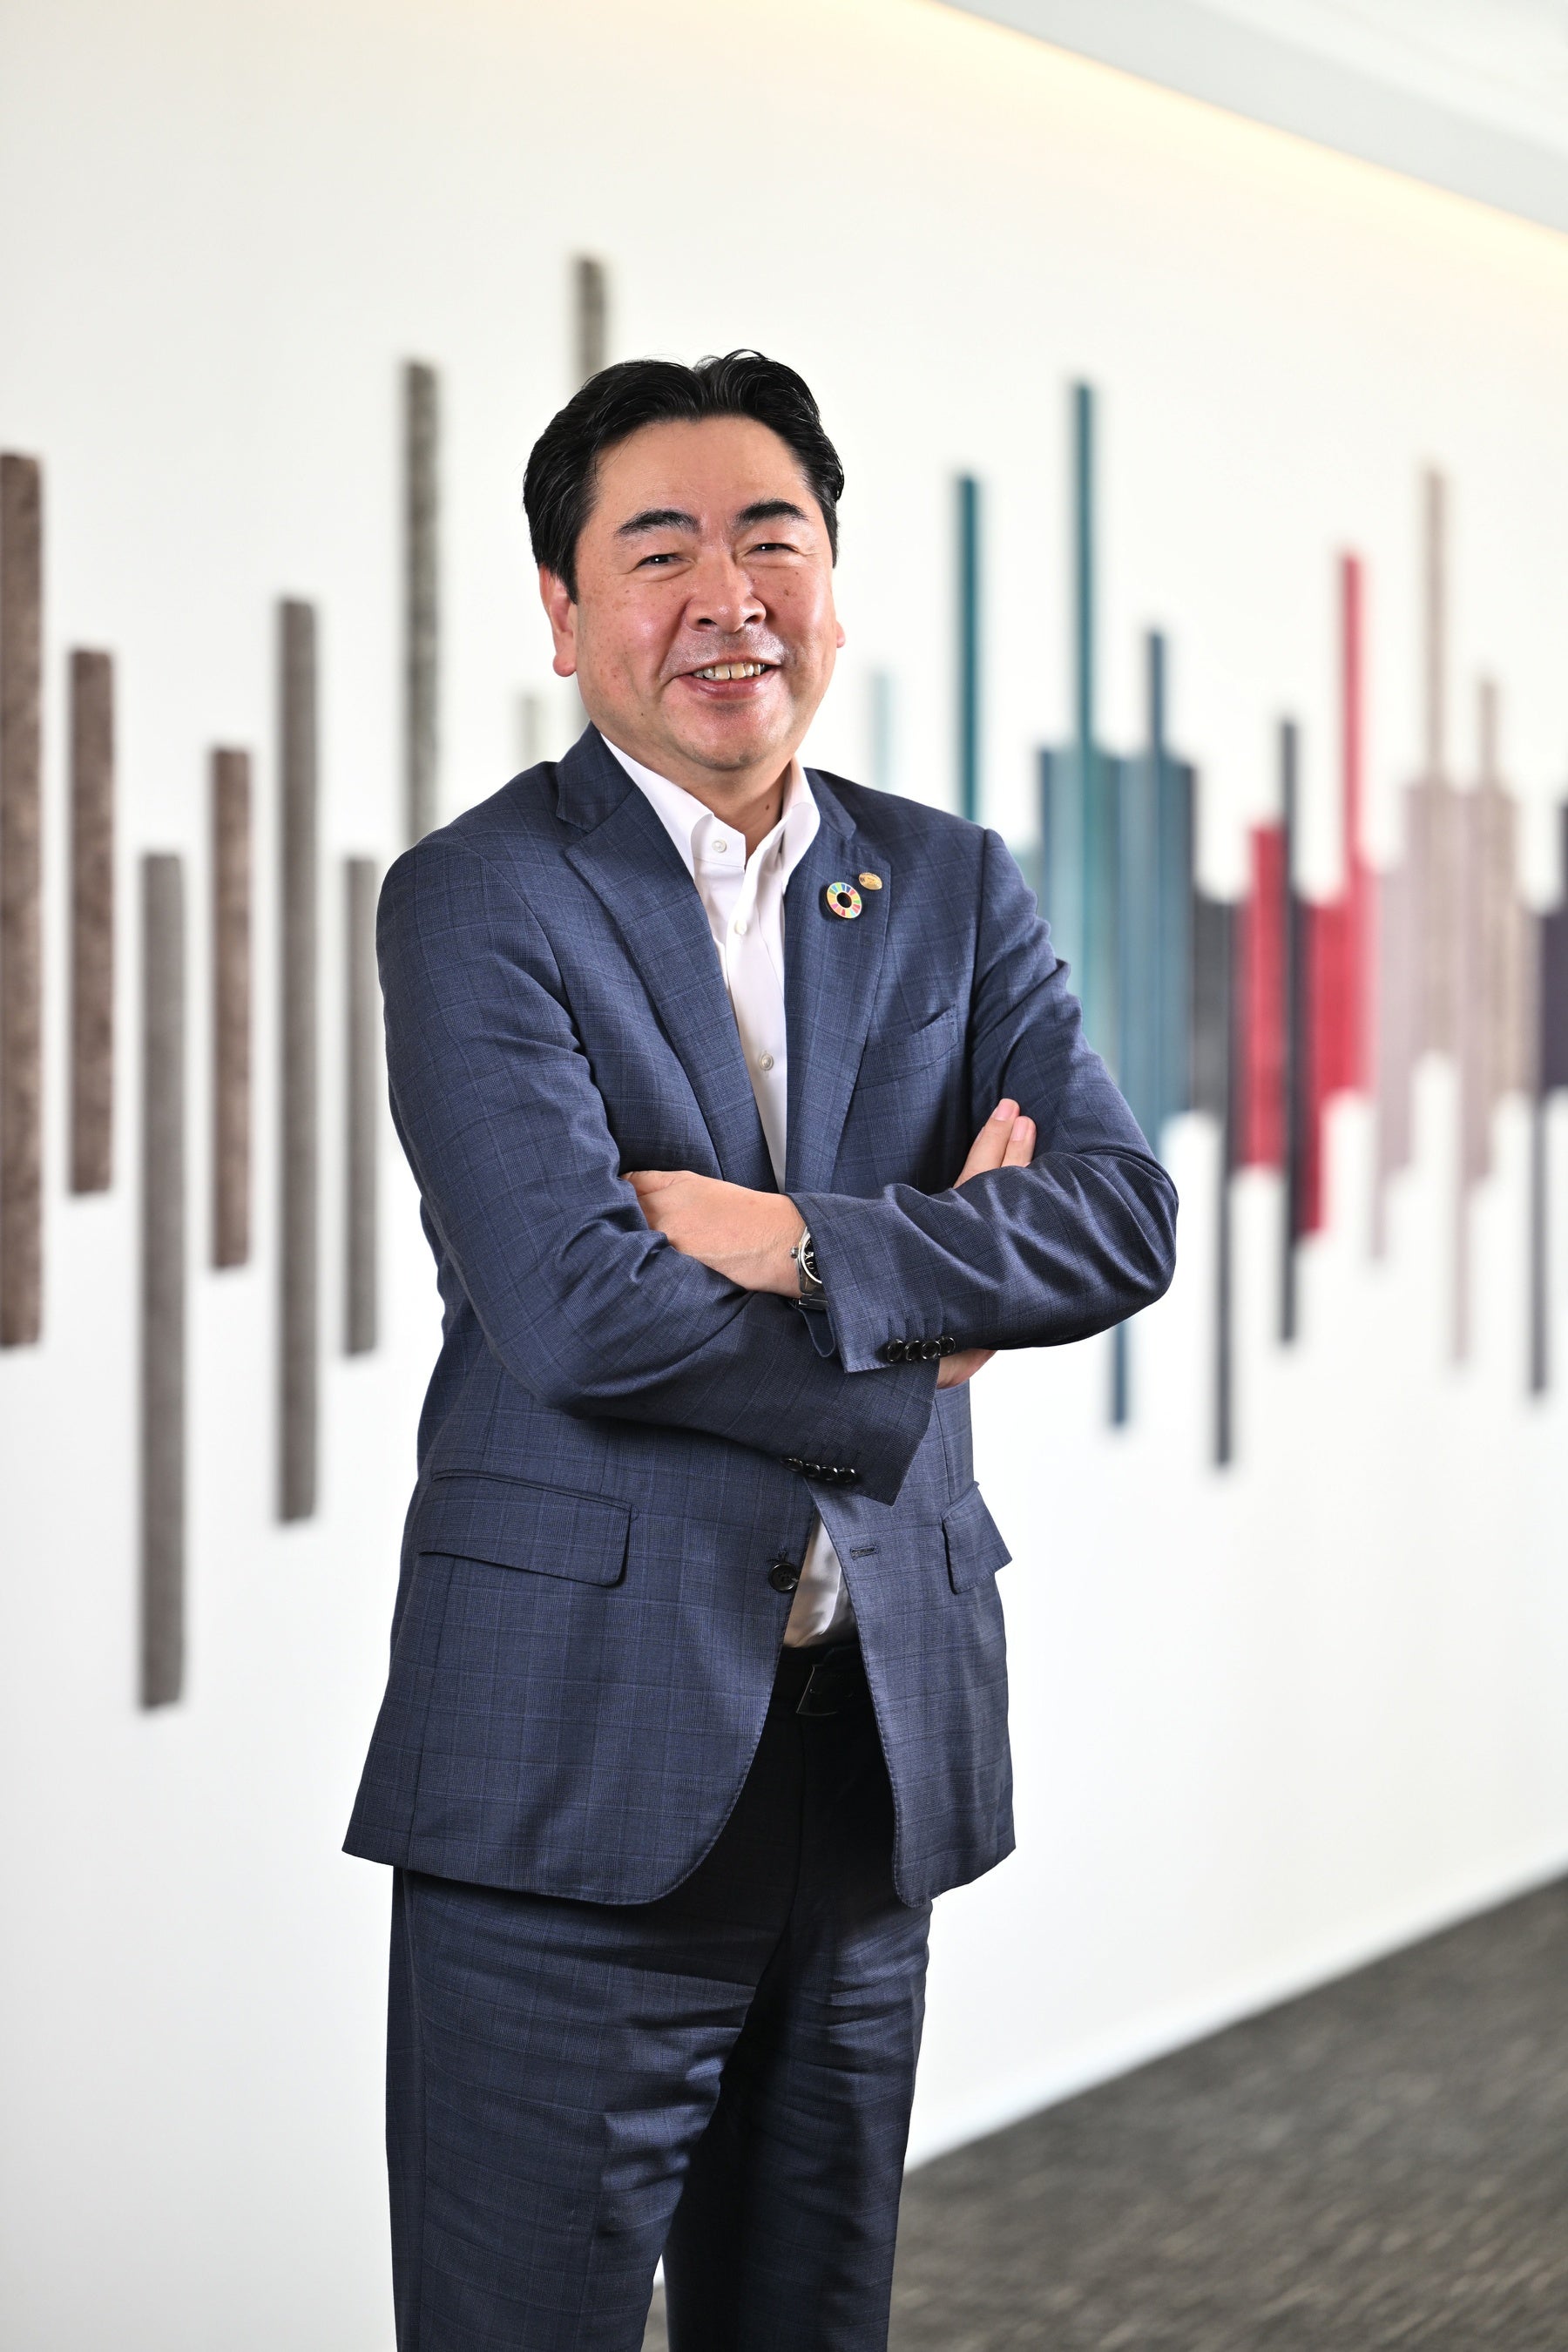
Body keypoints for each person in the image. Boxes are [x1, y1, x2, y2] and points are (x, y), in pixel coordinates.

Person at [345, 349, 1177, 2351]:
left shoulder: (947, 881)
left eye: (770, 540)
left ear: (832, 582)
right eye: (661, 551)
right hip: (575, 1771)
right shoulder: (479, 898)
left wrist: (788, 1238)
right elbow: (578, 1307)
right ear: (566, 613)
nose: (729, 598)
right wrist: (925, 1327)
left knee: (810, 2318)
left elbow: (1117, 1221)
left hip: (868, 1758)